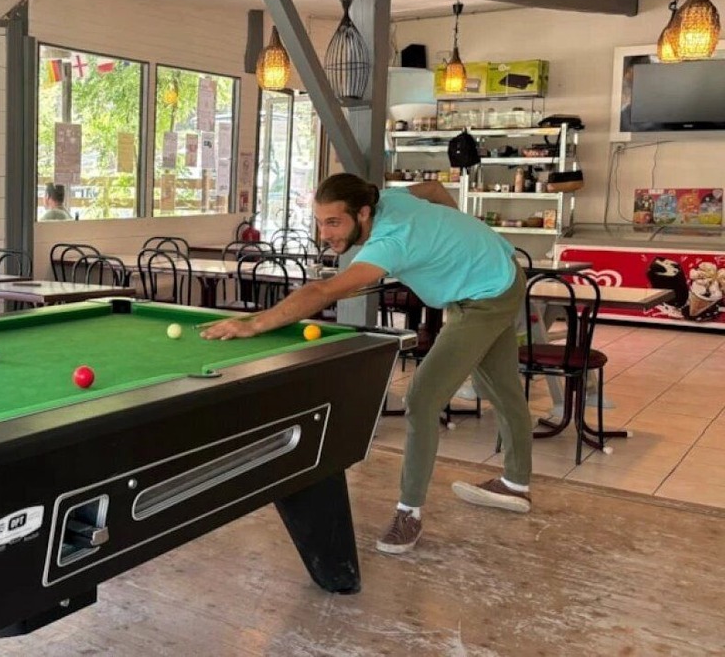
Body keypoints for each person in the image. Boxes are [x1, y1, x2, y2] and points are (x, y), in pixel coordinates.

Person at [202, 173, 533, 555]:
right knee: (501, 384)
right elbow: (433, 190)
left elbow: (325, 290)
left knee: (423, 399)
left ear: (362, 213)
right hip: (496, 269)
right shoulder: (387, 199)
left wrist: (254, 324)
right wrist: (456, 236)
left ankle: (409, 513)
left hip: (487, 292)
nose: (324, 233)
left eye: (334, 222)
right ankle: (516, 482)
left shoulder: (391, 241)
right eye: (320, 222)